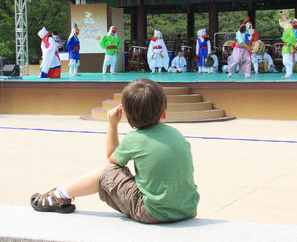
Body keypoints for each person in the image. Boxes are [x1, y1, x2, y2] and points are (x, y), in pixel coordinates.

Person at [30, 78, 200, 223]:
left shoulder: (135, 138)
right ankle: (58, 195)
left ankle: (58, 196)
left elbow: (112, 159)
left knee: (109, 172)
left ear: (127, 114)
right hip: (187, 209)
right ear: (164, 112)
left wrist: (112, 125)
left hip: (153, 213)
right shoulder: (177, 134)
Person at [278, 14, 297, 78]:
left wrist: (289, 43)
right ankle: (288, 73)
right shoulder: (286, 30)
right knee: (285, 61)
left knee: (287, 61)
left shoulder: (290, 29)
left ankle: (288, 74)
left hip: (288, 46)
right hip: (286, 46)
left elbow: (293, 37)